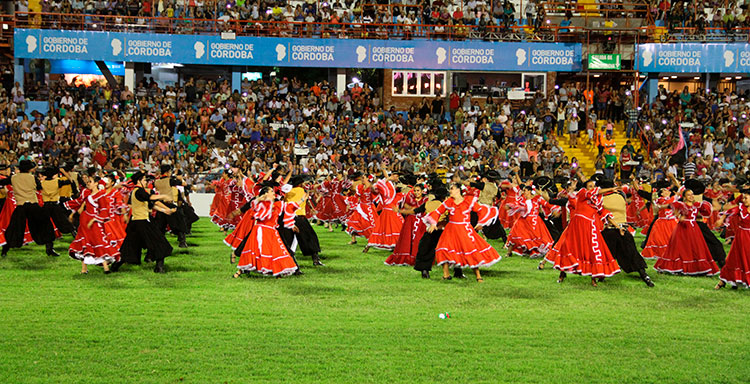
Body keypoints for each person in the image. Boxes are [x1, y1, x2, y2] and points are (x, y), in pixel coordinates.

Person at [544, 177, 622, 287]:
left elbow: (605, 213)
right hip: (576, 227)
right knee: (569, 248)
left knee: (592, 251)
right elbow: (594, 192)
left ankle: (593, 278)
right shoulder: (582, 193)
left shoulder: (596, 202)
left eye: (593, 186)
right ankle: (562, 273)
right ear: (585, 188)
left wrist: (618, 226)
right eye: (590, 186)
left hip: (590, 227)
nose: (593, 188)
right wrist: (610, 189)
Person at [424, 182, 501, 283]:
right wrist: (433, 223)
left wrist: (481, 222)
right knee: (442, 249)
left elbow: (481, 210)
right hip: (450, 229)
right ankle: (446, 275)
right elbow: (438, 212)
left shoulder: (468, 201)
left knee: (470, 251)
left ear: (458, 190)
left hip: (464, 230)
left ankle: (478, 276)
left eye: (452, 189)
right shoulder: (449, 202)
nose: (450, 191)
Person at [111, 172, 175, 273]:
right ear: (139, 181)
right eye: (145, 180)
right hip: (142, 222)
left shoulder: (138, 191)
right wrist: (164, 196)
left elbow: (150, 204)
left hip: (136, 223)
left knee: (130, 246)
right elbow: (150, 198)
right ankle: (159, 267)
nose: (146, 182)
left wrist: (165, 210)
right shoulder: (138, 191)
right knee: (159, 242)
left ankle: (115, 266)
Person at [233, 186, 300, 278]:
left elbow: (289, 208)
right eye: (271, 191)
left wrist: (291, 224)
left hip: (272, 231)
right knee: (255, 250)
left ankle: (278, 272)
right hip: (260, 231)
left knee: (275, 250)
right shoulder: (260, 203)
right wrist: (260, 199)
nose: (273, 192)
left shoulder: (277, 204)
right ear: (266, 193)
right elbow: (253, 209)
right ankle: (242, 270)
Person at [599, 179, 654, 287]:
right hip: (624, 228)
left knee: (605, 254)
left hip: (609, 230)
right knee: (632, 253)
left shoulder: (601, 199)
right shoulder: (621, 195)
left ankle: (601, 276)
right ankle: (644, 275)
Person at [653, 188, 720, 276]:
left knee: (696, 247)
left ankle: (697, 267)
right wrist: (677, 216)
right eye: (688, 195)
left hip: (694, 228)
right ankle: (678, 267)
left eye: (692, 194)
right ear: (684, 197)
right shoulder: (681, 204)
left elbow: (708, 211)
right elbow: (670, 207)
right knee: (681, 248)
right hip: (683, 229)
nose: (691, 196)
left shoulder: (696, 205)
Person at [1, 160, 58, 257]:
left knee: (14, 228)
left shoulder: (13, 178)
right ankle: (49, 249)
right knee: (45, 226)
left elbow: (2, 182)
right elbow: (39, 187)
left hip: (21, 206)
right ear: (29, 169)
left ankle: (5, 250)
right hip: (33, 205)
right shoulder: (33, 178)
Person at [67, 177, 118, 275]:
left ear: (96, 183)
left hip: (94, 222)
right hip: (84, 221)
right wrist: (73, 213)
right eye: (88, 182)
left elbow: (104, 210)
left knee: (98, 242)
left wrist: (94, 219)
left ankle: (106, 267)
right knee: (84, 243)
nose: (88, 183)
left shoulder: (101, 195)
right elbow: (80, 205)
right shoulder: (86, 194)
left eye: (90, 181)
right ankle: (84, 269)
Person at [505, 184, 559, 259]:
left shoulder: (537, 199)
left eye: (525, 190)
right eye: (523, 191)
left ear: (530, 191)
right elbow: (516, 204)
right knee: (514, 234)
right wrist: (510, 206)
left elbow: (546, 204)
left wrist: (554, 209)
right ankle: (509, 252)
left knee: (535, 237)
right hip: (523, 220)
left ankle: (535, 252)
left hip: (534, 221)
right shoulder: (522, 200)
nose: (523, 192)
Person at [284, 175, 324, 266]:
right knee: (310, 238)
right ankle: (315, 259)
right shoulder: (303, 190)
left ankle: (288, 261)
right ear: (301, 183)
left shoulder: (287, 192)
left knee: (288, 241)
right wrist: (311, 208)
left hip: (288, 218)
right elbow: (309, 196)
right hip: (300, 217)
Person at [714, 191, 750, 289]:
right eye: (743, 198)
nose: (743, 200)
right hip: (742, 237)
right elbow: (730, 211)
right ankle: (723, 281)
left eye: (746, 198)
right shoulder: (741, 208)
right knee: (734, 258)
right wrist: (721, 219)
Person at [387, 182, 428, 266]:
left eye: (418, 191)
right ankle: (407, 256)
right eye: (415, 191)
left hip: (421, 222)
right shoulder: (410, 198)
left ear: (422, 191)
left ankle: (417, 257)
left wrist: (399, 211)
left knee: (418, 239)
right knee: (407, 239)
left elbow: (416, 210)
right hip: (410, 221)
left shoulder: (425, 200)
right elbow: (407, 206)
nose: (416, 192)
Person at [365, 167, 404, 252]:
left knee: (386, 228)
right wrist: (387, 176)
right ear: (393, 176)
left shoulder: (389, 183)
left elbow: (386, 180)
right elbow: (382, 185)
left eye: (398, 177)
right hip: (389, 209)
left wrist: (384, 170)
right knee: (393, 227)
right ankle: (369, 245)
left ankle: (394, 245)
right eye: (396, 176)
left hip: (391, 209)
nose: (397, 178)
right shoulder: (385, 185)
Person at [152, 164, 188, 248]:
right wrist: (180, 178)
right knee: (179, 222)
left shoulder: (156, 182)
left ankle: (159, 243)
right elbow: (184, 184)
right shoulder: (170, 180)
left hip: (160, 205)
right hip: (169, 204)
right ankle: (182, 241)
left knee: (160, 226)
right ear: (168, 172)